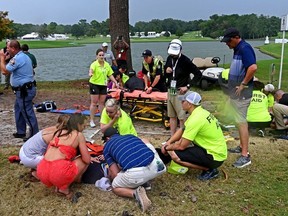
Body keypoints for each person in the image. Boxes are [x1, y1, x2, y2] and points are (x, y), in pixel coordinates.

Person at [158, 91, 227, 181]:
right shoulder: (200, 112)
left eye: (183, 101)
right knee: (174, 144)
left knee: (175, 156)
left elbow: (181, 146)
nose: (181, 103)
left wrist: (167, 148)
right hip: (213, 150)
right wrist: (169, 142)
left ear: (189, 104)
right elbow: (182, 130)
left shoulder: (196, 119)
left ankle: (210, 170)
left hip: (214, 156)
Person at [103, 127, 166, 212]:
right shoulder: (130, 136)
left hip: (137, 174)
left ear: (107, 138)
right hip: (158, 166)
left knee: (115, 187)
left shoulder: (107, 146)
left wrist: (112, 178)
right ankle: (144, 183)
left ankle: (136, 193)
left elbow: (115, 173)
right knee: (145, 142)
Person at [221, 27, 257, 168]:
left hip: (243, 95)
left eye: (229, 41)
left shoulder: (245, 48)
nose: (227, 44)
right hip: (235, 94)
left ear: (236, 37)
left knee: (242, 122)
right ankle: (241, 146)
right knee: (238, 120)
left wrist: (243, 84)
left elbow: (253, 67)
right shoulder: (238, 49)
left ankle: (245, 155)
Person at [36, 114, 96, 199]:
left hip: (42, 170)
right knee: (83, 161)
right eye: (84, 125)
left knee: (61, 163)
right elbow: (86, 159)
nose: (84, 127)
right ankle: (64, 188)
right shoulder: (78, 135)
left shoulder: (58, 132)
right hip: (59, 171)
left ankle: (58, 184)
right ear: (78, 124)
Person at [0, 40, 39, 141]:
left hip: (24, 90)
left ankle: (34, 135)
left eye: (8, 48)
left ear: (13, 48)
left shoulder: (18, 59)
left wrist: (2, 58)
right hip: (23, 90)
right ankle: (21, 131)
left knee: (27, 111)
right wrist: (7, 58)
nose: (6, 50)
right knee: (18, 109)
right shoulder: (22, 56)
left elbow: (4, 71)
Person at [164, 39, 202, 136]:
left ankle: (182, 137)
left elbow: (198, 74)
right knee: (172, 116)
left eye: (175, 54)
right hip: (171, 90)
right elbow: (166, 74)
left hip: (181, 92)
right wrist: (166, 70)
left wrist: (188, 86)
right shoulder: (169, 58)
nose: (173, 55)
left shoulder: (185, 61)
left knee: (181, 117)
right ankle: (172, 136)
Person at [88, 48, 119, 128]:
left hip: (103, 85)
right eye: (100, 55)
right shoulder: (94, 64)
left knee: (102, 103)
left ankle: (102, 119)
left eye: (102, 55)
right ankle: (91, 120)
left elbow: (110, 75)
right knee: (94, 103)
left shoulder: (106, 64)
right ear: (97, 56)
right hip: (94, 84)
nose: (101, 57)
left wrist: (115, 82)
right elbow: (91, 70)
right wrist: (91, 73)